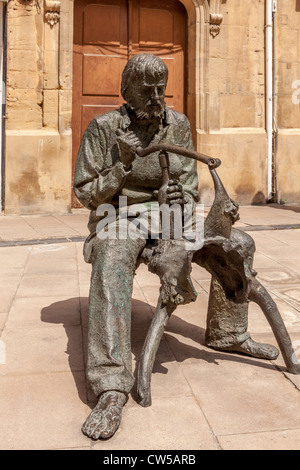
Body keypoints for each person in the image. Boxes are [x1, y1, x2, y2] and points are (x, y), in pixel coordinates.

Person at [73, 53, 278, 440]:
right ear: (125, 90)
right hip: (117, 215)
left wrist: (179, 197)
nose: (154, 98)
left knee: (239, 242)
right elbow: (86, 193)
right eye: (145, 90)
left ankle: (227, 333)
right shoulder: (103, 129)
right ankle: (111, 386)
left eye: (160, 90)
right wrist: (123, 167)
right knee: (112, 256)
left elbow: (188, 183)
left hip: (170, 217)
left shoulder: (178, 125)